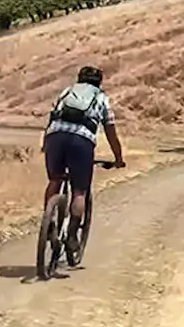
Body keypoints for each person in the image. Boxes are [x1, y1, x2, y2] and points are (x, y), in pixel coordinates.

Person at [42, 65, 124, 254]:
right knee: (80, 191)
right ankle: (72, 235)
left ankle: (49, 223)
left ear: (79, 79)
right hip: (81, 141)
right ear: (99, 82)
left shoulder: (66, 92)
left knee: (55, 180)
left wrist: (46, 143)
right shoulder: (101, 98)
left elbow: (53, 117)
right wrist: (118, 158)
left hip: (54, 136)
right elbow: (111, 131)